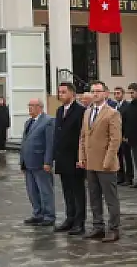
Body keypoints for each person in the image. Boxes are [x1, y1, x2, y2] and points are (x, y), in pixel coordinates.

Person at [78, 81, 122, 243]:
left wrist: (108, 160)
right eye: (93, 91)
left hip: (106, 163)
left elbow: (115, 139)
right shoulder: (87, 112)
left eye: (98, 91)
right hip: (90, 162)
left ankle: (114, 228)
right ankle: (98, 226)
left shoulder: (112, 113)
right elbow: (83, 137)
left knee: (110, 198)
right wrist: (81, 157)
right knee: (94, 197)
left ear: (105, 93)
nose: (95, 94)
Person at [52, 82, 86, 236]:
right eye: (59, 92)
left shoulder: (80, 111)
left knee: (77, 191)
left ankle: (80, 221)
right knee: (66, 191)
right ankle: (70, 218)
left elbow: (82, 136)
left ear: (72, 93)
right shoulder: (59, 111)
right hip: (62, 157)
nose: (61, 95)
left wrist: (81, 157)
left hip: (75, 157)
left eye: (64, 92)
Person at [19, 98, 55, 227]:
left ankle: (49, 215)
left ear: (40, 107)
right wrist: (22, 161)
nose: (29, 108)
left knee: (45, 190)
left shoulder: (48, 121)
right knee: (32, 191)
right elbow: (24, 142)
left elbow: (50, 144)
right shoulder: (28, 122)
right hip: (28, 163)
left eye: (32, 106)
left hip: (40, 162)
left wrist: (48, 161)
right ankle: (37, 213)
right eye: (29, 105)